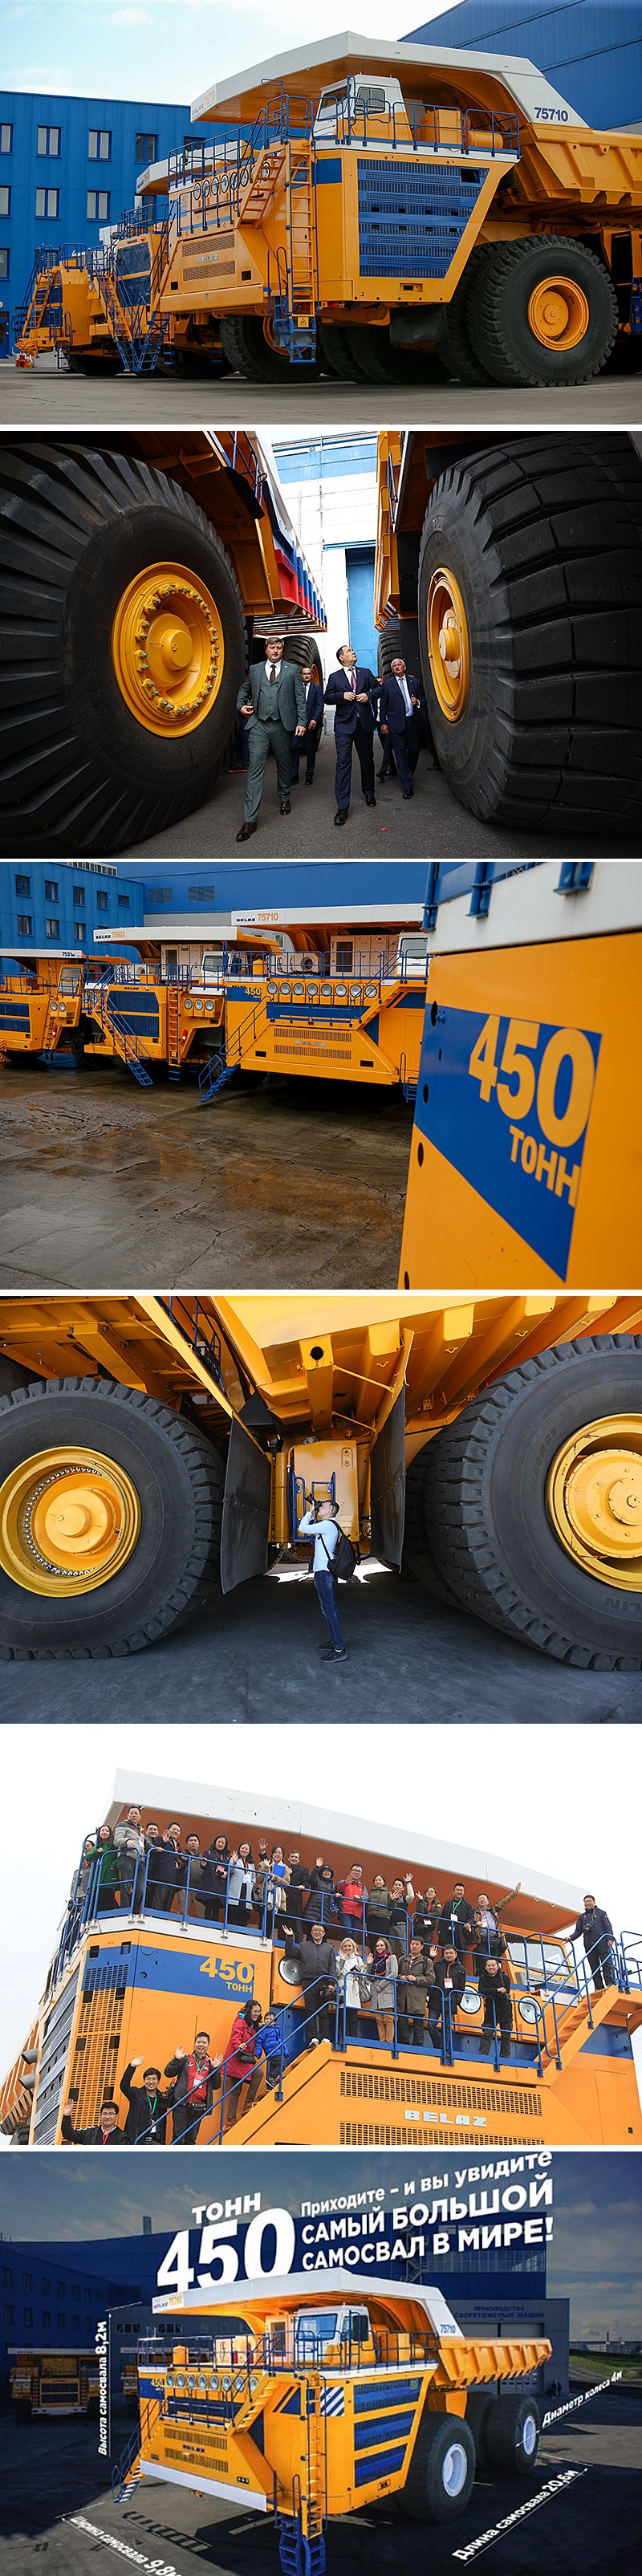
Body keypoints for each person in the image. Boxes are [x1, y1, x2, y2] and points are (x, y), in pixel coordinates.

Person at [235, 638, 307, 839]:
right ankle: (249, 820)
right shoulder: (256, 670)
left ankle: (285, 797)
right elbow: (243, 690)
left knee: (284, 765)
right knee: (255, 768)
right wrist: (241, 706)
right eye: (272, 647)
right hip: (258, 724)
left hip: (282, 725)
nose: (276, 650)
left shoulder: (292, 670)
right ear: (266, 650)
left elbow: (300, 698)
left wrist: (302, 722)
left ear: (283, 651)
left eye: (279, 648)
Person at [323, 644, 379, 824]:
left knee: (367, 760)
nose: (353, 652)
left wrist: (368, 696)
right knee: (343, 764)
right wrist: (342, 696)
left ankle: (369, 792)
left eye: (352, 650)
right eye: (348, 651)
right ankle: (342, 807)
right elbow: (327, 697)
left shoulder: (366, 673)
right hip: (344, 727)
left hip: (364, 725)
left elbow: (380, 689)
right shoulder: (335, 677)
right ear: (341, 658)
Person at [298, 1498, 347, 1660]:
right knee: (330, 1610)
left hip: (324, 1574)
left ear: (330, 1511)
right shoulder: (328, 1525)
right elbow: (311, 1527)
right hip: (325, 1573)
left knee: (329, 1611)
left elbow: (302, 1528)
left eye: (323, 1506)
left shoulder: (327, 1525)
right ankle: (335, 1641)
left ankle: (339, 1649)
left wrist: (310, 1511)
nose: (320, 1507)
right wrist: (314, 1512)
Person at [377, 656, 424, 798]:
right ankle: (408, 786)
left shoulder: (414, 682)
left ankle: (407, 773)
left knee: (415, 751)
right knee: (401, 755)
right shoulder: (388, 685)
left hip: (412, 723)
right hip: (396, 725)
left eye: (399, 665)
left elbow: (424, 699)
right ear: (392, 670)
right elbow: (383, 705)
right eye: (394, 666)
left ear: (404, 667)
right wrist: (383, 723)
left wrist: (418, 702)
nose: (397, 667)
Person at [285, 1920, 337, 2044]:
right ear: (311, 1932)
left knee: (324, 2012)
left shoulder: (329, 1948)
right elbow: (290, 1954)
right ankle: (313, 2038)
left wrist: (331, 1983)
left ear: (323, 1933)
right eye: (315, 1930)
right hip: (309, 1982)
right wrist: (289, 1937)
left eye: (320, 1931)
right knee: (311, 2011)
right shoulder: (303, 1946)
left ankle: (325, 2038)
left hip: (324, 1983)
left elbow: (332, 1966)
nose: (317, 1933)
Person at [165, 2034, 223, 2143]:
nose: (201, 2045)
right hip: (181, 2105)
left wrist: (215, 2069)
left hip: (198, 2107)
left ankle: (188, 2161)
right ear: (195, 2044)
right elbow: (168, 2073)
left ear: (208, 2045)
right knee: (178, 2138)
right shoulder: (185, 2059)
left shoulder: (211, 2063)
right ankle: (175, 2161)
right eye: (199, 2042)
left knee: (191, 2140)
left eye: (204, 2043)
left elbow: (216, 2085)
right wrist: (176, 2059)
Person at [221, 2000, 265, 2127]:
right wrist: (238, 2046)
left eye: (258, 2012)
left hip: (242, 2059)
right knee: (258, 2074)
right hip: (237, 2059)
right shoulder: (241, 2022)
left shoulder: (253, 2025)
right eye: (255, 2011)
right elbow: (235, 2036)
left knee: (236, 2090)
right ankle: (248, 2103)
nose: (257, 2014)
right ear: (249, 2011)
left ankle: (231, 2118)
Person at [120, 2058, 173, 2144]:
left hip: (156, 2142)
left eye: (154, 2079)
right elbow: (124, 2085)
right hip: (138, 2141)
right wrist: (132, 2066)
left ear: (158, 2081)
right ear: (144, 2081)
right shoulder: (136, 2095)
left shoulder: (162, 2099)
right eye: (148, 2079)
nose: (151, 2082)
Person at [427, 1947, 465, 2057]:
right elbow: (428, 1973)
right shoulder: (437, 1964)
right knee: (431, 2024)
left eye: (451, 1953)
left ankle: (444, 2050)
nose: (449, 1955)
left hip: (451, 2001)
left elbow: (461, 1988)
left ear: (456, 1954)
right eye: (446, 1953)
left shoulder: (461, 1969)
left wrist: (457, 2000)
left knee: (447, 2027)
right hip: (436, 1999)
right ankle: (438, 2046)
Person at [397, 1937, 435, 2046]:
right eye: (412, 1944)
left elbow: (431, 1979)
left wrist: (416, 1979)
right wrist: (401, 1977)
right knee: (402, 2022)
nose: (414, 1946)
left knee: (418, 2023)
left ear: (422, 1947)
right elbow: (396, 1974)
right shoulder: (402, 1960)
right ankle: (403, 2044)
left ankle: (418, 2045)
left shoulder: (426, 1962)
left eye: (417, 1944)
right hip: (403, 1996)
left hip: (417, 1996)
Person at [573, 1895, 615, 1990]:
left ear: (594, 1902)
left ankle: (609, 1983)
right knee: (594, 1966)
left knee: (606, 1964)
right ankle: (599, 1986)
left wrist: (610, 1938)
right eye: (585, 1902)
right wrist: (571, 1938)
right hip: (589, 1944)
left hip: (602, 1942)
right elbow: (578, 1931)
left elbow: (608, 1927)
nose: (587, 1903)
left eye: (589, 1901)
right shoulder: (582, 1917)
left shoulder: (601, 1913)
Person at [291, 665, 323, 784]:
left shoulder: (317, 688)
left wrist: (315, 719)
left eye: (309, 674)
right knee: (295, 748)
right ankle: (294, 775)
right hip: (298, 724)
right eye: (304, 674)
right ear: (301, 675)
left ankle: (309, 775)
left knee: (310, 750)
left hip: (311, 724)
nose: (306, 676)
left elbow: (320, 705)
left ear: (312, 675)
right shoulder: (296, 688)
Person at [478, 1957, 514, 2059]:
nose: (491, 1967)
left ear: (498, 1966)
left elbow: (506, 1992)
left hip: (505, 2010)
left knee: (506, 2035)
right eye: (489, 1965)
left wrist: (491, 1992)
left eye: (493, 1965)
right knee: (487, 2033)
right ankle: (482, 2058)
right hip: (491, 2009)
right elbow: (481, 1990)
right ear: (485, 1967)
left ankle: (505, 2059)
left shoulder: (505, 1978)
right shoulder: (483, 1978)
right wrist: (496, 1990)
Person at [113, 1806, 145, 1913]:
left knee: (140, 1890)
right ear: (127, 1815)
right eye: (132, 1813)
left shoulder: (141, 1832)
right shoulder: (122, 1825)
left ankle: (134, 1911)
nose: (134, 1815)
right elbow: (117, 1841)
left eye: (136, 1814)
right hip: (127, 1858)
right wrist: (127, 1840)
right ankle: (125, 1912)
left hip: (140, 1861)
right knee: (126, 1888)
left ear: (140, 1817)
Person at [335, 1937, 368, 2040]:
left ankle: (353, 2040)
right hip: (342, 1986)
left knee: (353, 2017)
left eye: (349, 1946)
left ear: (353, 1947)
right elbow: (336, 1973)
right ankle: (343, 2039)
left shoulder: (358, 1959)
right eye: (345, 1946)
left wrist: (358, 1973)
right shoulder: (338, 1959)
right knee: (342, 2016)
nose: (347, 1948)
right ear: (342, 1948)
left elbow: (364, 1975)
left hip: (354, 1987)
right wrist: (343, 1960)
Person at [367, 1937, 397, 2044]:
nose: (379, 1947)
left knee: (388, 2019)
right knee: (379, 2020)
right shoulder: (374, 1960)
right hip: (375, 1992)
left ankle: (388, 2043)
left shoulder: (392, 1957)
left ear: (386, 1946)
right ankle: (382, 2042)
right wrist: (369, 1964)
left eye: (382, 1945)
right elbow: (368, 1977)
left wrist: (381, 1985)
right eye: (378, 1946)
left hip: (386, 1990)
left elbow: (394, 1974)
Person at [61, 2096, 126, 2146]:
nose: (107, 2117)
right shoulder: (90, 2133)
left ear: (117, 2116)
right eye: (105, 2114)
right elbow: (68, 2134)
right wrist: (67, 2115)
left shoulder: (123, 2137)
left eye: (111, 2114)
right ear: (100, 2117)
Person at [438, 1884, 475, 1955]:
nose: (459, 1892)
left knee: (458, 1954)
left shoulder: (468, 1905)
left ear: (463, 1892)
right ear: (454, 1892)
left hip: (459, 1933)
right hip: (447, 1932)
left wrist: (469, 1923)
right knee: (446, 1952)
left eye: (461, 1890)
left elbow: (471, 1918)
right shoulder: (448, 1904)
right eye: (457, 1890)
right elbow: (442, 1917)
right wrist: (439, 1930)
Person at [201, 1835, 230, 1923]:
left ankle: (214, 1926)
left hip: (220, 1887)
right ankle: (207, 1925)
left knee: (217, 1908)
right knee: (209, 1906)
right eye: (219, 1842)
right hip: (210, 1884)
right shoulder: (208, 1853)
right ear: (215, 1843)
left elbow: (227, 1870)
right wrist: (203, 1863)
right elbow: (203, 1865)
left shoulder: (226, 1858)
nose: (220, 1844)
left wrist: (226, 1872)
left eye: (223, 1843)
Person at [226, 1844, 257, 1927]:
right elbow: (230, 1871)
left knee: (243, 1918)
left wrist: (252, 1883)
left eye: (246, 1849)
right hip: (235, 1892)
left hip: (246, 1892)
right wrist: (234, 1862)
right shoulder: (234, 1860)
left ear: (249, 1851)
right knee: (233, 1917)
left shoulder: (251, 1865)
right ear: (239, 1849)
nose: (244, 1850)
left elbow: (254, 1877)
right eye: (242, 1848)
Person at [337, 1863, 368, 1939]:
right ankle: (345, 1949)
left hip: (357, 1914)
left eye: (359, 1871)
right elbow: (338, 1890)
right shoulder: (343, 1882)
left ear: (361, 1874)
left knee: (354, 1936)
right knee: (347, 1932)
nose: (356, 1873)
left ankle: (352, 1950)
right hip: (345, 1911)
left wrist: (360, 1898)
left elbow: (366, 1898)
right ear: (350, 1871)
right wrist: (346, 1884)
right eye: (355, 1870)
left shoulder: (362, 1887)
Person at [95, 1823, 120, 1912]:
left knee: (108, 1897)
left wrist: (113, 1865)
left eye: (107, 1831)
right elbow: (88, 1857)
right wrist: (96, 1851)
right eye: (103, 1830)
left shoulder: (114, 1845)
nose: (105, 1832)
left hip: (109, 1876)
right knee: (97, 1898)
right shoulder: (97, 1846)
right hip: (98, 1877)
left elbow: (120, 1857)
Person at [285, 1851, 311, 1931]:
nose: (294, 1859)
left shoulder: (304, 1870)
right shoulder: (284, 1868)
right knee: (282, 1924)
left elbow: (306, 1882)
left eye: (296, 1857)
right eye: (292, 1857)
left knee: (298, 1926)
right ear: (288, 1858)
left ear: (299, 1860)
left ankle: (299, 1942)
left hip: (296, 1900)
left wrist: (304, 1886)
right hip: (284, 1899)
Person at [366, 1875, 391, 1940]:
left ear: (384, 1882)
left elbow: (392, 1907)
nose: (378, 1882)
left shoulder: (388, 1894)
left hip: (383, 1919)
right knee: (372, 1939)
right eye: (376, 1880)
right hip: (372, 1919)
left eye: (380, 1880)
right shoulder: (369, 1894)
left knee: (383, 1940)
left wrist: (393, 1899)